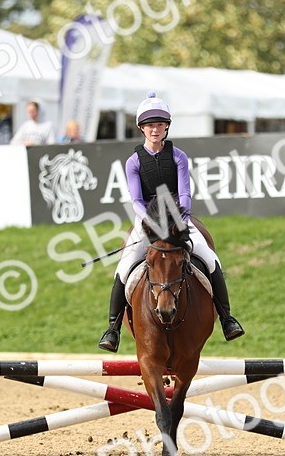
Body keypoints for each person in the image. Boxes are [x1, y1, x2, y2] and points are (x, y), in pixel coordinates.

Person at [97, 93, 245, 352]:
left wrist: (179, 217)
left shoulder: (178, 156)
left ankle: (227, 319)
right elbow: (136, 200)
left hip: (178, 217)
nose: (155, 129)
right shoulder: (133, 162)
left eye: (160, 124)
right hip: (147, 220)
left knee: (210, 260)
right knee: (124, 266)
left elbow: (185, 193)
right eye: (150, 125)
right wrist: (150, 223)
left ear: (166, 127)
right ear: (142, 128)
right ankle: (113, 328)